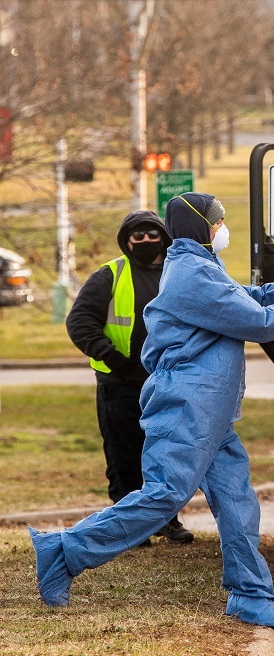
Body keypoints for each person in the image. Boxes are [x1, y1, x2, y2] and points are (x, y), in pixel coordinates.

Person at [29, 192, 274, 633]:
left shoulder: (200, 264)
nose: (222, 227)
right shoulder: (190, 273)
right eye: (217, 221)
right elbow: (257, 322)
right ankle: (64, 552)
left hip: (212, 408)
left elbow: (244, 297)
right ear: (198, 226)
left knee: (236, 502)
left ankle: (249, 596)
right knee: (164, 496)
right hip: (187, 404)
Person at [65, 210, 193, 545]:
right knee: (124, 459)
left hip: (168, 382)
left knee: (166, 455)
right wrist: (115, 360)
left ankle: (168, 521)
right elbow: (79, 322)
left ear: (164, 237)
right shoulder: (110, 274)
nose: (147, 241)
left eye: (153, 235)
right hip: (120, 386)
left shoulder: (178, 272)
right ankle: (130, 530)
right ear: (127, 241)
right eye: (138, 236)